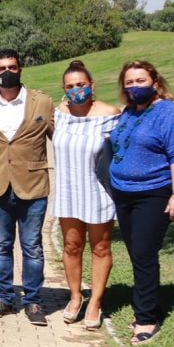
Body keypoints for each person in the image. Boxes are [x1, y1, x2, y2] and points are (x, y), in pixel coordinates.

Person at [108, 60, 174, 345]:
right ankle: (147, 304)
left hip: (153, 193)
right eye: (129, 82)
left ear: (155, 82)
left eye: (140, 81)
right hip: (123, 193)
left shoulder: (170, 113)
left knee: (144, 253)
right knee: (136, 254)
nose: (134, 86)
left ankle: (146, 319)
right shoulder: (129, 112)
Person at [0, 48, 55, 325]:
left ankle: (33, 301)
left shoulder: (42, 102)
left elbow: (60, 138)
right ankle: (4, 299)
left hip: (32, 185)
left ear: (20, 69)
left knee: (32, 247)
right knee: (0, 245)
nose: (6, 72)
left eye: (12, 67)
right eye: (1, 68)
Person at [51, 60, 120, 329]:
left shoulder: (110, 114)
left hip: (98, 192)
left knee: (100, 248)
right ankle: (76, 296)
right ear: (63, 89)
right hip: (68, 191)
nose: (76, 90)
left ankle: (96, 302)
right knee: (71, 246)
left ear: (92, 85)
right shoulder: (58, 114)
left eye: (81, 84)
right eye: (70, 86)